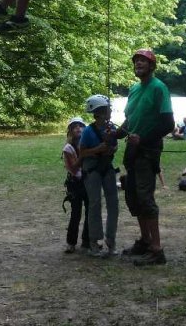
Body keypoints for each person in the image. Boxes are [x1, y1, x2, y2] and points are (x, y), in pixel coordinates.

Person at [119, 49, 175, 266]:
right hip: (132, 150)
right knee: (133, 196)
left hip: (148, 150)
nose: (138, 64)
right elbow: (130, 121)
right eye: (136, 61)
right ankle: (145, 241)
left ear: (152, 66)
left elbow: (168, 124)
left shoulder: (159, 88)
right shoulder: (134, 89)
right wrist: (115, 134)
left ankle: (157, 250)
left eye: (143, 61)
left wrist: (143, 139)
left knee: (145, 197)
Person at [79, 94, 120, 258]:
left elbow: (115, 145)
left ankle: (111, 240)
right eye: (108, 109)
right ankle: (94, 242)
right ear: (100, 112)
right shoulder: (88, 131)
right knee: (95, 204)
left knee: (113, 204)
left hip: (107, 168)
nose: (110, 111)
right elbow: (82, 152)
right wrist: (98, 149)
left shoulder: (111, 128)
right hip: (92, 169)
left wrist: (112, 149)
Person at [62, 116, 90, 254]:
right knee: (76, 213)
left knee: (90, 212)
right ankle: (71, 242)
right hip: (76, 183)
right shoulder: (68, 148)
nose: (78, 128)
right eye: (75, 127)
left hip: (89, 181)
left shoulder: (89, 144)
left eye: (81, 126)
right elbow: (73, 168)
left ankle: (87, 241)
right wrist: (84, 155)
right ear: (71, 131)